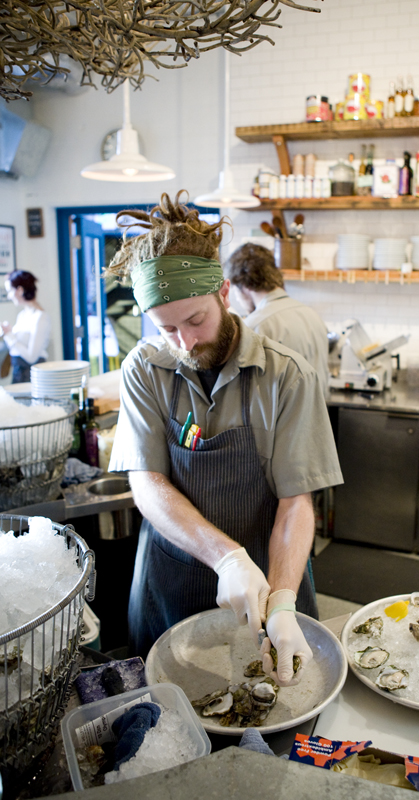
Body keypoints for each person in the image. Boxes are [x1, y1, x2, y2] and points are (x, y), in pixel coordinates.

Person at [107, 192, 343, 686]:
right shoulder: (144, 370)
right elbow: (146, 483)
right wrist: (226, 558)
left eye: (195, 320)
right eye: (166, 328)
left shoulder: (286, 375)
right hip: (172, 582)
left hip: (269, 579)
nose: (184, 343)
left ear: (224, 293)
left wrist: (281, 600)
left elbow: (296, 502)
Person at [226, 243, 330, 398]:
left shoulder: (254, 326)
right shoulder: (312, 315)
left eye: (234, 290)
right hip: (319, 417)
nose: (237, 299)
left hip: (284, 421)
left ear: (244, 284)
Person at [1, 270, 51, 384]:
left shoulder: (40, 317)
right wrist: (7, 334)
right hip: (18, 372)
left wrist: (10, 335)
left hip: (32, 376)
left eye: (10, 291)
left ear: (20, 290)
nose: (9, 296)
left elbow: (32, 357)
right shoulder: (22, 315)